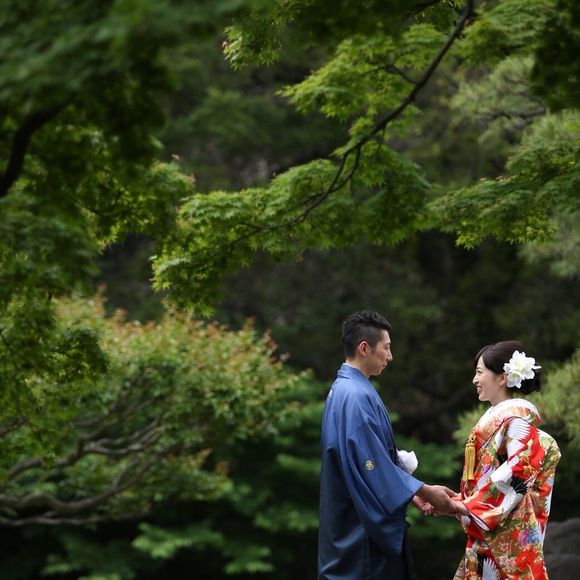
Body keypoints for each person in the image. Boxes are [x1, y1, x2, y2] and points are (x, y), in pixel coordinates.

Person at [318, 310, 456, 580]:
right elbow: (370, 463)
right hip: (360, 530)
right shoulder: (354, 395)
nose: (390, 356)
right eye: (386, 347)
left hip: (348, 518)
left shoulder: (346, 389)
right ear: (364, 348)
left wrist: (409, 493)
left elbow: (369, 458)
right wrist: (423, 490)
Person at [445, 340, 561, 579]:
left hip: (505, 537)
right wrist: (456, 502)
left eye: (480, 372)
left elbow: (517, 473)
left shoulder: (516, 422)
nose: (475, 380)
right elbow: (487, 478)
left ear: (502, 378)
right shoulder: (500, 421)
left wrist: (466, 506)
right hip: (489, 531)